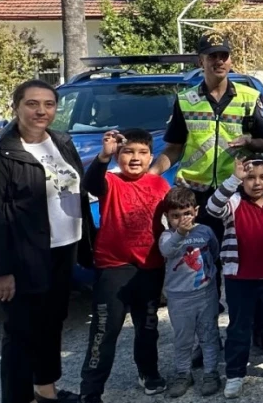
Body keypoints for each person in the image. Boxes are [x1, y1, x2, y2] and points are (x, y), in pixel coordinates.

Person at [0, 80, 90, 403]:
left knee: (52, 324)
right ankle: (17, 397)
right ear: (16, 107)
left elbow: (76, 191)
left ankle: (46, 391)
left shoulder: (61, 142)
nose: (41, 111)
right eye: (32, 104)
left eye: (49, 104)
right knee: (21, 333)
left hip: (63, 248)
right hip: (24, 257)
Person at [150, 32, 263, 279]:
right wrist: (149, 175)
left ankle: (240, 309)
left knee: (240, 257)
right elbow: (174, 148)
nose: (219, 61)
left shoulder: (249, 98)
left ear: (230, 60)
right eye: (212, 56)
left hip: (235, 192)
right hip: (196, 196)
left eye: (223, 56)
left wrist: (250, 140)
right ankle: (209, 312)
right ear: (200, 61)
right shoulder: (186, 100)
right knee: (200, 262)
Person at [78, 129, 170, 401]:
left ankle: (149, 372)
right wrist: (103, 156)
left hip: (151, 268)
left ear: (151, 156)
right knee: (104, 332)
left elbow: (176, 216)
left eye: (142, 153)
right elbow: (91, 182)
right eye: (128, 151)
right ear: (118, 155)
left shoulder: (159, 184)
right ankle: (91, 390)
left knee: (148, 327)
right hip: (113, 269)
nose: (135, 158)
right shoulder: (109, 181)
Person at [205, 158, 263, 398]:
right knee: (239, 326)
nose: (256, 182)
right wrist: (233, 179)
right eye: (250, 177)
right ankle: (235, 374)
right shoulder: (234, 203)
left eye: (262, 177)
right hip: (240, 277)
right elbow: (212, 207)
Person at [157, 187, 222, 398]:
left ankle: (211, 372)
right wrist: (180, 233)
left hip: (205, 294)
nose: (182, 219)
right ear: (167, 217)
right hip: (179, 298)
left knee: (209, 334)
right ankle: (183, 373)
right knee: (183, 338)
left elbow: (214, 252)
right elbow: (167, 251)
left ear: (195, 211)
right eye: (175, 216)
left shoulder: (205, 231)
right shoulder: (167, 236)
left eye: (186, 214)